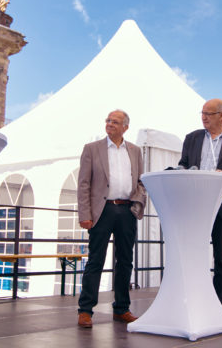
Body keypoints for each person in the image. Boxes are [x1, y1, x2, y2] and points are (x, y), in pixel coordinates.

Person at [77, 110, 146, 328]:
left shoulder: (135, 151)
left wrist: (137, 203)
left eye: (115, 122)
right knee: (95, 260)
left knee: (125, 261)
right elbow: (83, 183)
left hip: (126, 210)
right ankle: (85, 310)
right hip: (102, 210)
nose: (110, 124)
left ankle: (121, 308)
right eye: (108, 120)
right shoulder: (92, 149)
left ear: (125, 127)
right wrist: (85, 214)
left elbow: (141, 182)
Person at [178, 98, 222, 304]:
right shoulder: (192, 138)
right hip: (196, 205)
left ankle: (218, 303)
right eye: (202, 113)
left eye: (208, 114)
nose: (204, 117)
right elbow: (183, 164)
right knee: (193, 253)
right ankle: (193, 298)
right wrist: (181, 171)